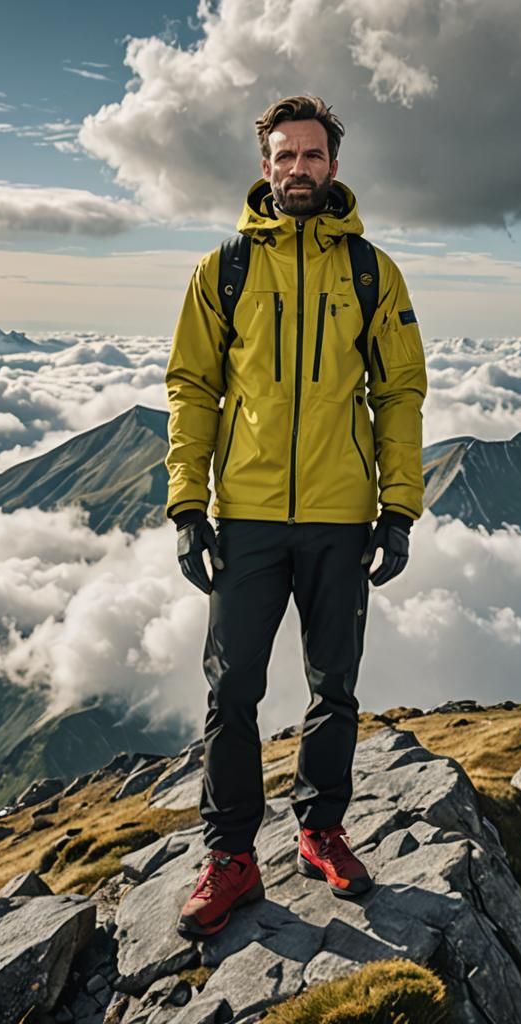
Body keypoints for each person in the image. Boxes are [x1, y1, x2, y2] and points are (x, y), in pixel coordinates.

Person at [163, 94, 427, 938]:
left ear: (334, 167)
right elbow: (192, 388)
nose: (299, 169)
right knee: (231, 690)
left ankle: (320, 831)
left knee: (333, 688)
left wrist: (399, 510)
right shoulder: (225, 269)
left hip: (341, 516)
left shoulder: (373, 273)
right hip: (243, 515)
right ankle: (231, 858)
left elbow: (400, 393)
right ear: (265, 164)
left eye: (313, 155)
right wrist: (186, 505)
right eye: (285, 155)